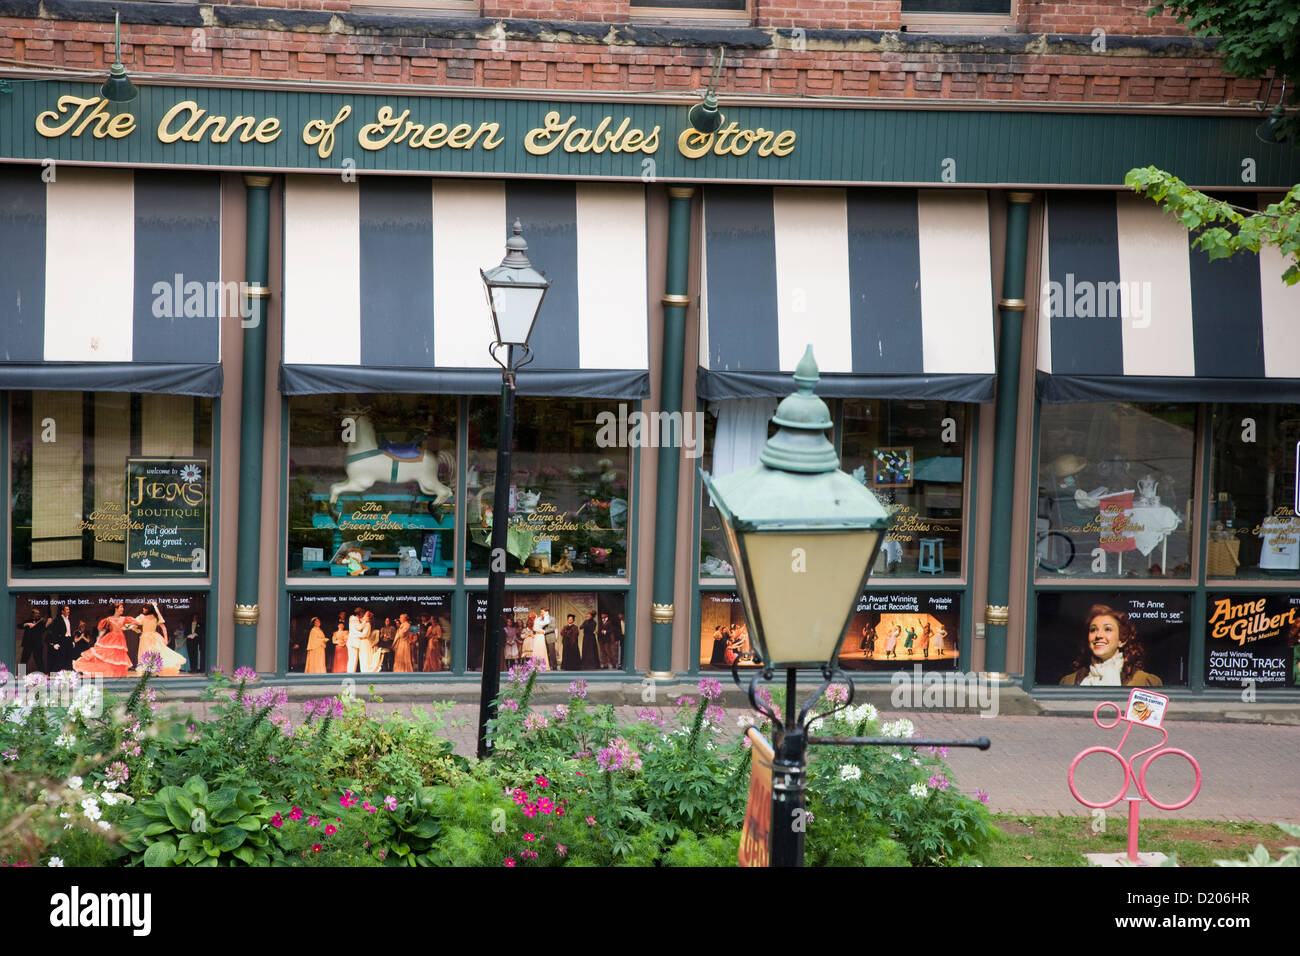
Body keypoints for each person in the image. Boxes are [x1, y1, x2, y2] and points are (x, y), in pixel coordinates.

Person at [1059, 604, 1163, 687]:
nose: (1098, 635)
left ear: (1122, 640)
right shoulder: (1068, 682)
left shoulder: (1145, 682)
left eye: (1107, 629)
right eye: (1093, 630)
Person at [72, 603, 133, 678]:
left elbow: (132, 623)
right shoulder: (109, 619)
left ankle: (116, 676)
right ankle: (108, 675)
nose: (123, 609)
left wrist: (130, 627)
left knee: (117, 659)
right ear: (116, 609)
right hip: (111, 639)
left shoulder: (124, 618)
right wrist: (98, 640)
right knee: (107, 657)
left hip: (120, 639)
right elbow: (102, 630)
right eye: (121, 607)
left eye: (122, 607)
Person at [135, 603, 186, 674]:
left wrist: (166, 638)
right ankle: (148, 670)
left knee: (154, 653)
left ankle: (152, 670)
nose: (143, 609)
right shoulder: (144, 617)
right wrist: (134, 628)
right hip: (149, 637)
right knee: (147, 653)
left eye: (145, 608)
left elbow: (163, 628)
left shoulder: (150, 617)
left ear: (149, 609)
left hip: (150, 637)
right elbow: (135, 622)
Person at [346, 607, 369, 673]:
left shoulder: (355, 618)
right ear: (360, 613)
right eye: (362, 613)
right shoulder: (354, 618)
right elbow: (359, 627)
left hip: (353, 642)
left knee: (353, 660)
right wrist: (365, 621)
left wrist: (364, 620)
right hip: (353, 642)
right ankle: (350, 674)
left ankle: (351, 673)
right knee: (352, 660)